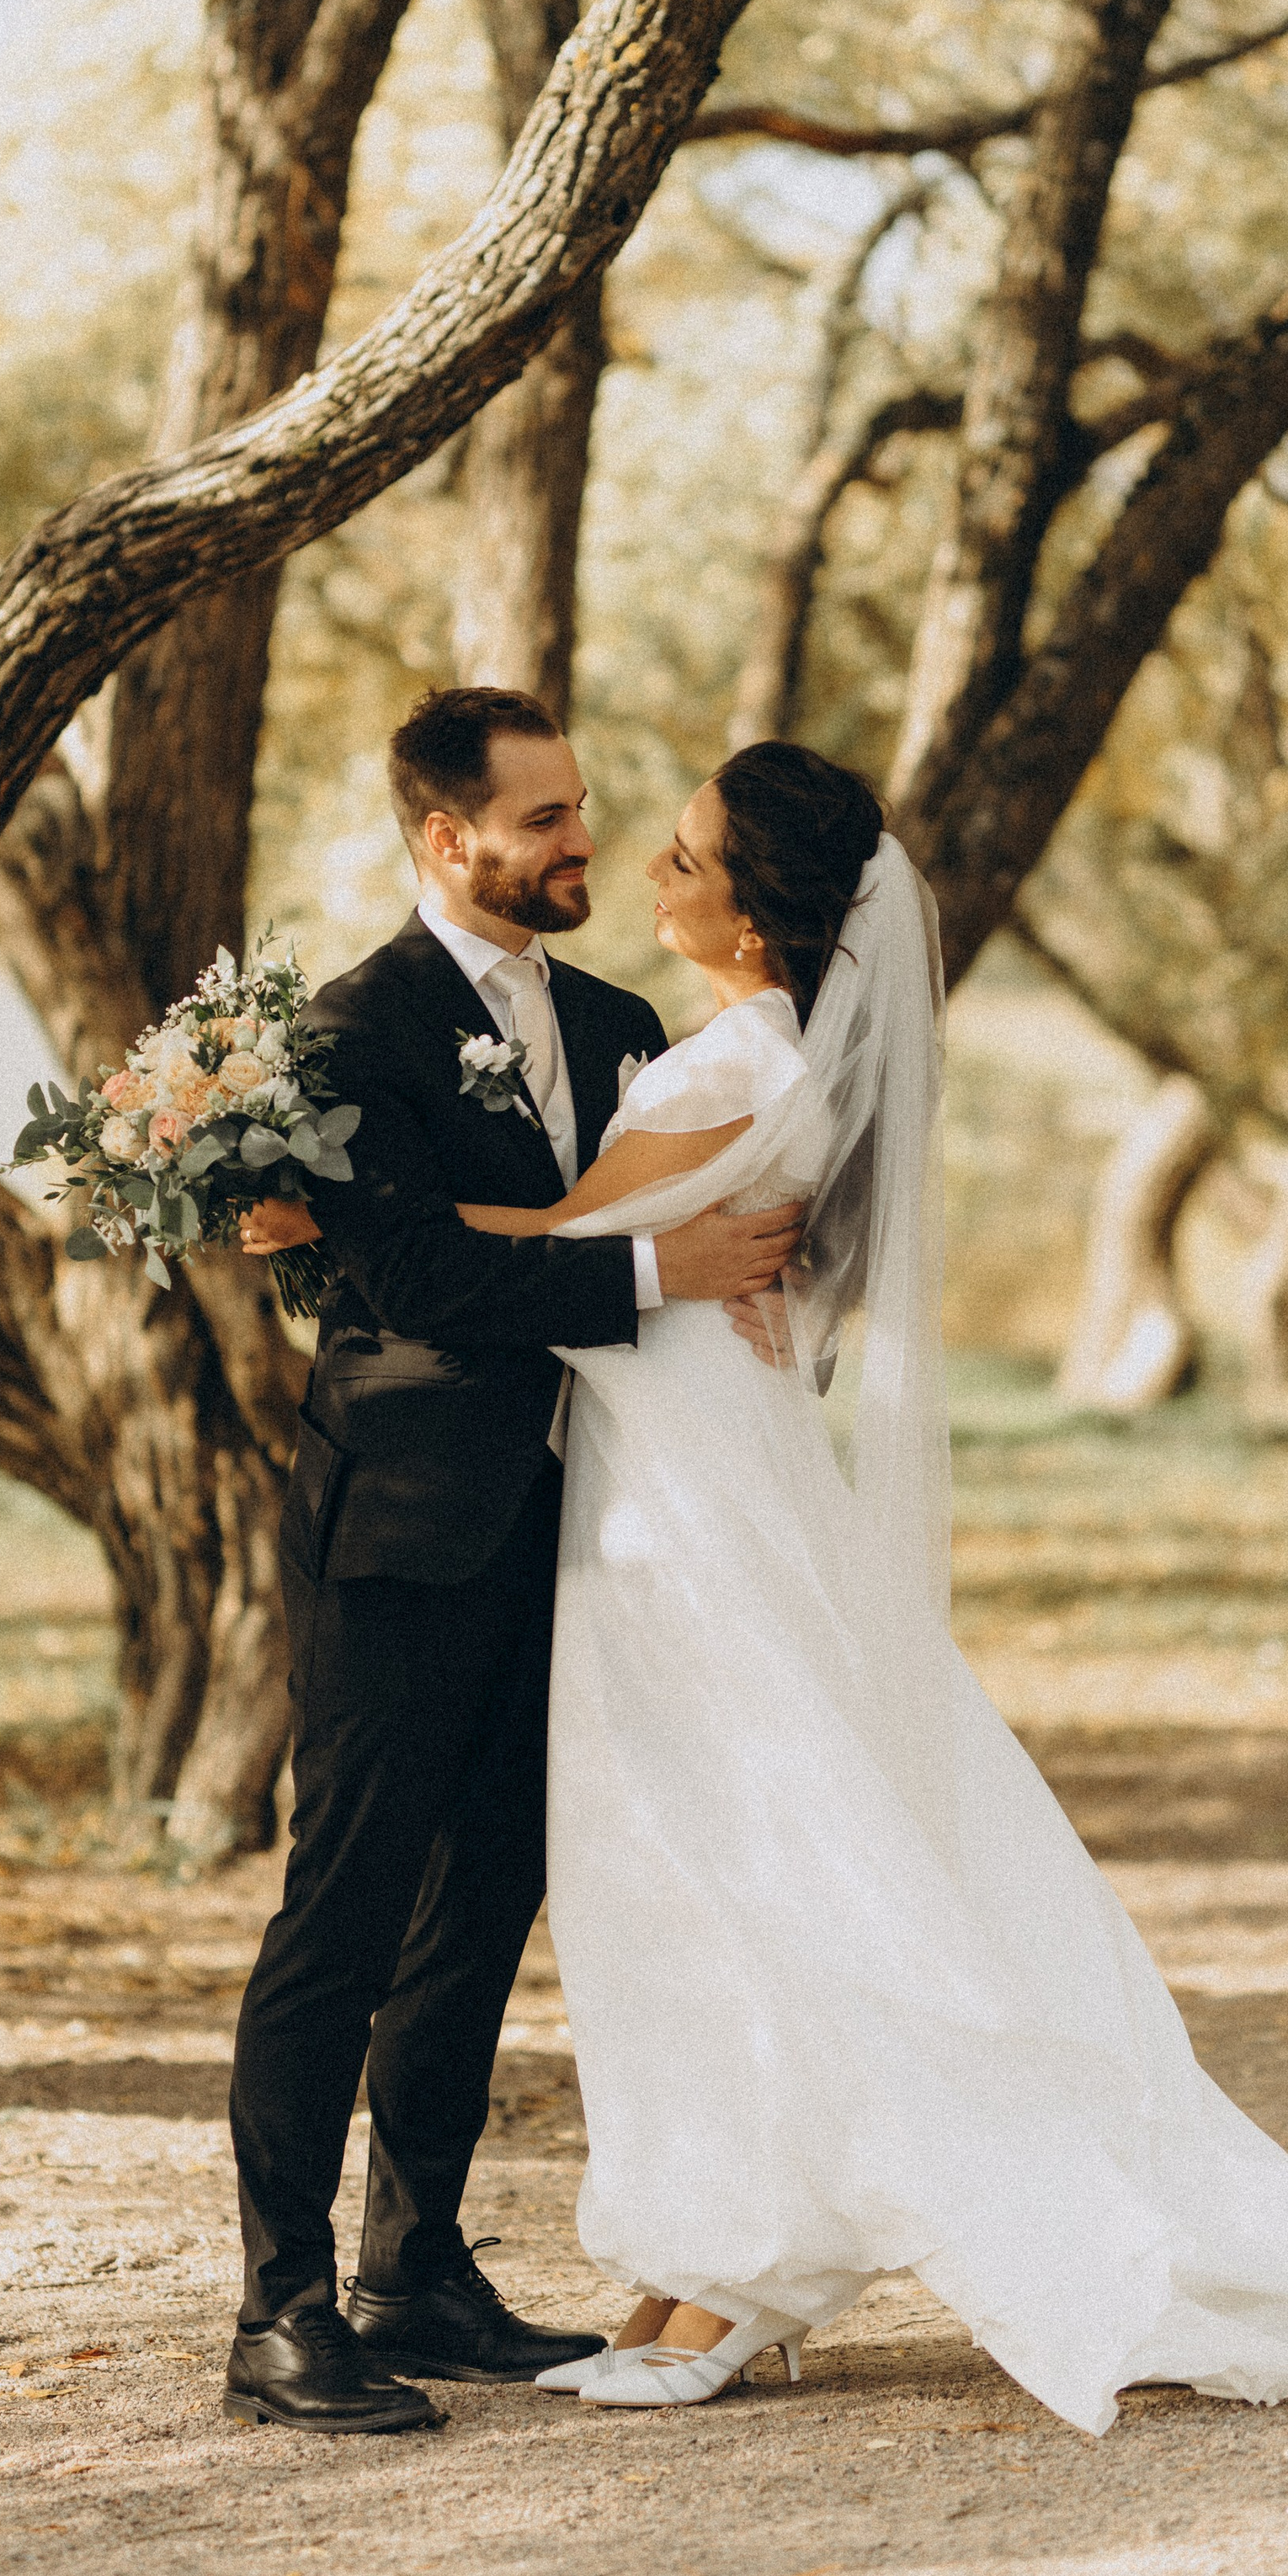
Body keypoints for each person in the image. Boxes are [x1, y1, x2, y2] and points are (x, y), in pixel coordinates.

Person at [434, 740, 1288, 2427]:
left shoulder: (735, 1066)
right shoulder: (756, 1056)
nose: (652, 872)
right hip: (686, 1468)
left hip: (695, 1503)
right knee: (703, 1858)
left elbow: (549, 1244)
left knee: (736, 1861)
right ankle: (709, 2262)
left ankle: (732, 2273)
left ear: (756, 919)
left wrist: (307, 1200)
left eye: (689, 861)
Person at [221, 689, 806, 2435]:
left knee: (480, 1907)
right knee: (342, 1909)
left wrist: (742, 1277)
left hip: (576, 1529)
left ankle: (415, 2270)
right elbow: (407, 1279)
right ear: (445, 837)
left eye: (579, 807)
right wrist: (662, 1274)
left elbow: (665, 1201)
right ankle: (279, 2310)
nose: (580, 842)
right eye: (542, 817)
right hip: (402, 1523)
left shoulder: (621, 1023)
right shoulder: (349, 1036)